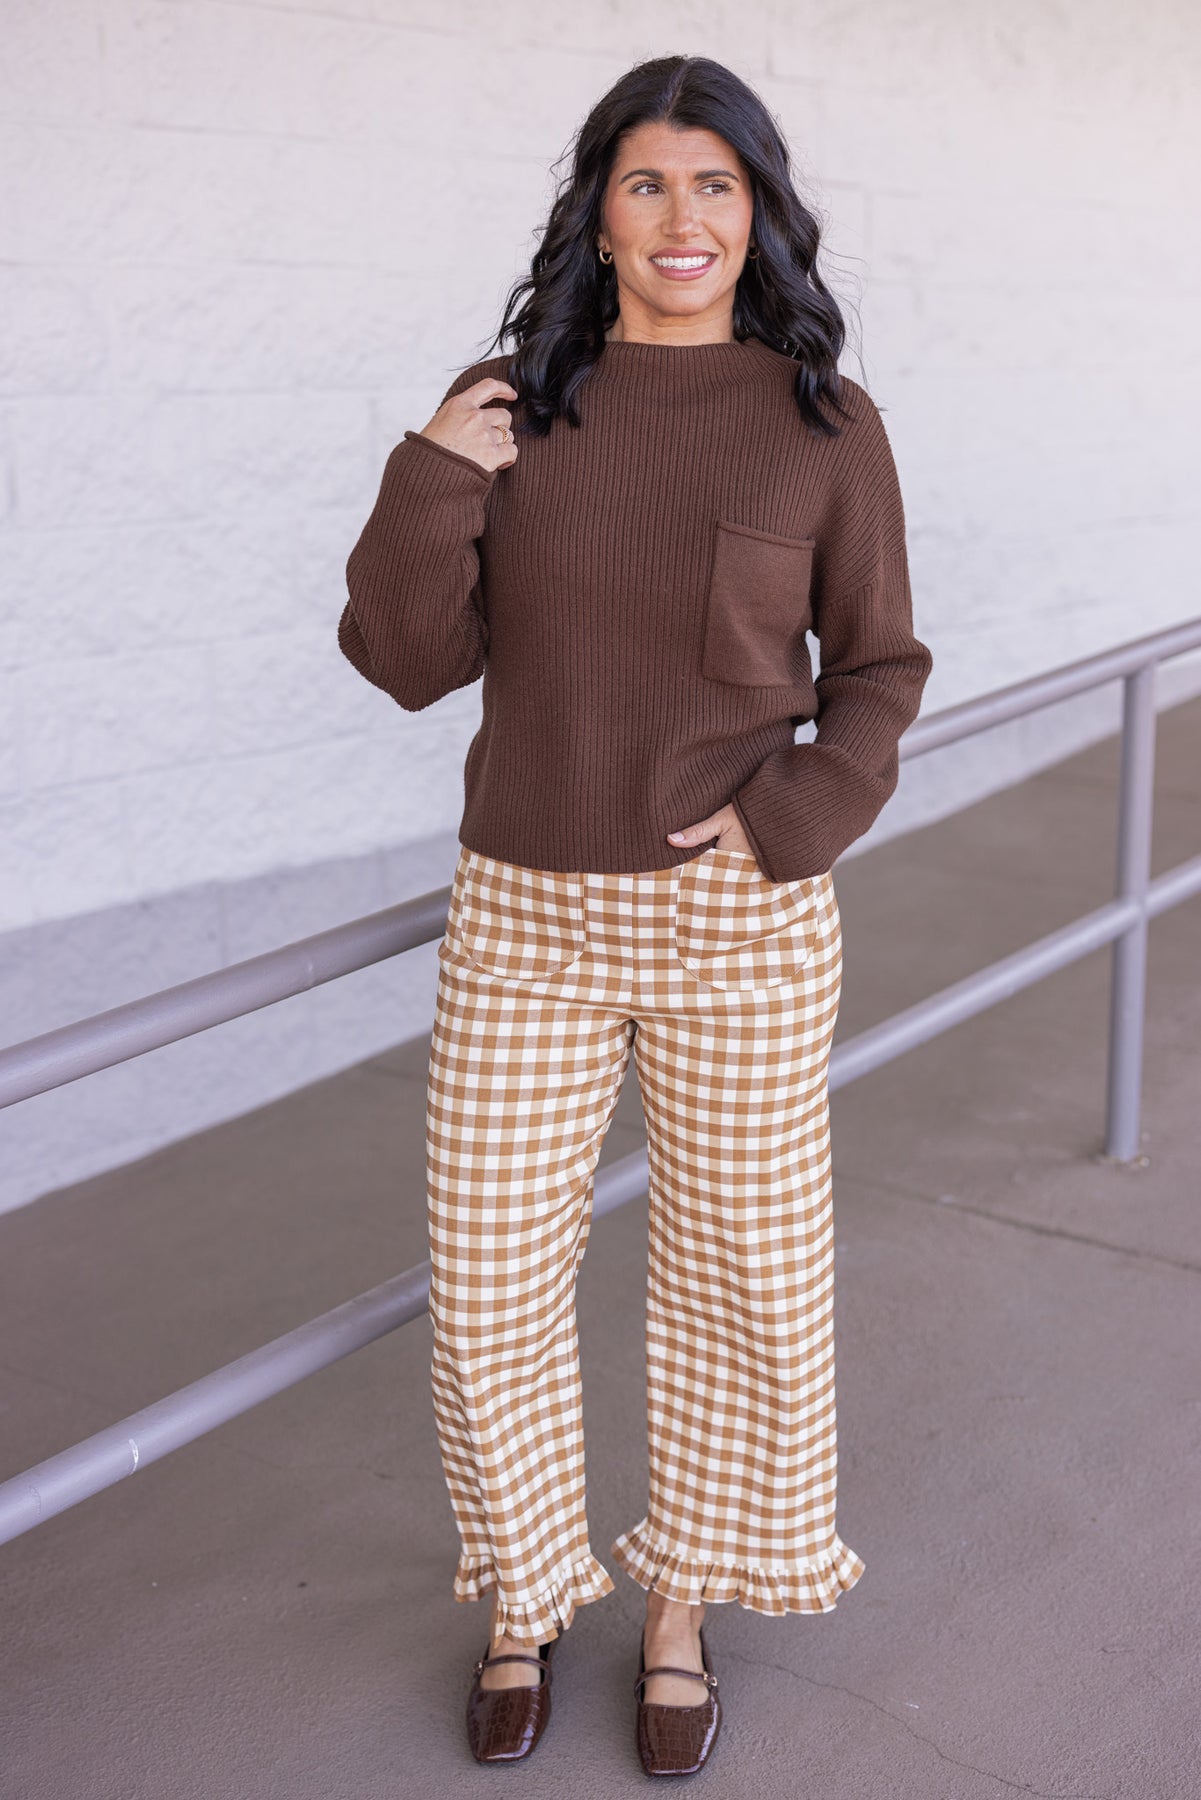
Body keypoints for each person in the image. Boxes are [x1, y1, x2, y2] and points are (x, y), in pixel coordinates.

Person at [339, 52, 933, 1779]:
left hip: (741, 924)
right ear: (597, 216)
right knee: (488, 1280)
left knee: (741, 1278)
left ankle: (680, 1609)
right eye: (647, 183)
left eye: (715, 186)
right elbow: (403, 661)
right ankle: (521, 1596)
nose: (683, 219)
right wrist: (430, 470)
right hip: (524, 916)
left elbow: (879, 667)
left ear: (758, 216)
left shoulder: (824, 423)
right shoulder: (511, 405)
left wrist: (792, 817)